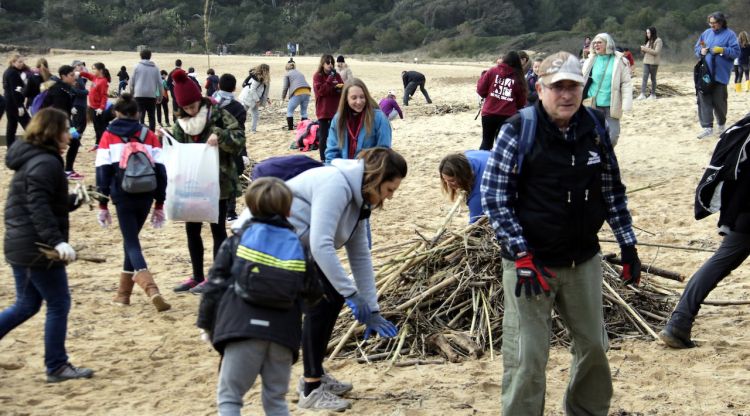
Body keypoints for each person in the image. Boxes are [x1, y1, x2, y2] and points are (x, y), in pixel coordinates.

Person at [481, 51, 640, 415]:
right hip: (530, 265)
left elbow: (612, 190)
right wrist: (520, 254)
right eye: (558, 87)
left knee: (594, 348)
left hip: (582, 259)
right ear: (540, 89)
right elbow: (495, 197)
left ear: (583, 89)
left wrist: (628, 246)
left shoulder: (595, 129)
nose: (566, 95)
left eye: (574, 87)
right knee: (527, 357)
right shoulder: (519, 129)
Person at [233, 147, 405, 411]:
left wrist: (371, 306)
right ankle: (312, 387)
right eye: (390, 189)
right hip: (262, 245)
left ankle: (316, 375)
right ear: (375, 178)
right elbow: (321, 244)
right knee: (324, 300)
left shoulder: (360, 202)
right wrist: (351, 294)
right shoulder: (335, 183)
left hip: (292, 248)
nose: (390, 197)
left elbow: (360, 255)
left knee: (330, 296)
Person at [197, 177, 309, 415]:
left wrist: (206, 326)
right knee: (276, 399)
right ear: (288, 210)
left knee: (230, 398)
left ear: (251, 207)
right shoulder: (298, 247)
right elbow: (313, 292)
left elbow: (214, 286)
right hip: (283, 335)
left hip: (241, 330)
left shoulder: (236, 242)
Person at [1, 108, 94, 383]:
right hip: (35, 247)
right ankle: (56, 365)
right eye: (66, 130)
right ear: (53, 132)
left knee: (27, 304)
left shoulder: (36, 158)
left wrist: (73, 200)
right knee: (58, 302)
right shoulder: (46, 162)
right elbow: (37, 206)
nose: (70, 135)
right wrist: (57, 242)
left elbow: (47, 201)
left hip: (22, 243)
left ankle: (56, 364)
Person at [660, 114, 750, 349]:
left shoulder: (744, 126)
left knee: (718, 263)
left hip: (743, 213)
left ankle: (679, 322)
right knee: (720, 263)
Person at [166, 69, 245, 295]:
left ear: (200, 100)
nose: (191, 111)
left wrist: (220, 136)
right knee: (192, 229)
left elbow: (239, 139)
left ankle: (217, 277)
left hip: (218, 183)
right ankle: (197, 276)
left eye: (194, 106)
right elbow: (176, 150)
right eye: (187, 108)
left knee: (217, 229)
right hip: (190, 184)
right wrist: (167, 140)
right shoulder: (181, 123)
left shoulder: (218, 113)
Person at [94, 93, 171, 312]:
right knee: (132, 239)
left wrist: (102, 203)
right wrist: (159, 202)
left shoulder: (108, 135)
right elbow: (161, 170)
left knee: (131, 242)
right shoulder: (148, 134)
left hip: (122, 194)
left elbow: (102, 171)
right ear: (137, 113)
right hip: (147, 192)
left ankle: (151, 288)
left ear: (116, 112)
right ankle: (123, 295)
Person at [694, 12, 740, 139]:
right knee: (704, 99)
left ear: (721, 22)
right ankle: (707, 127)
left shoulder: (730, 35)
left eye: (714, 23)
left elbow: (736, 52)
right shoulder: (706, 33)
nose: (712, 25)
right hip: (705, 74)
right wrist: (700, 51)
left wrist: (723, 50)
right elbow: (697, 47)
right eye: (710, 22)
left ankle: (721, 125)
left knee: (720, 102)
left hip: (721, 74)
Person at [582, 33, 633, 147]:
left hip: (612, 104)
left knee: (613, 136)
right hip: (592, 104)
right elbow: (582, 80)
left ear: (608, 44)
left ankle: (605, 154)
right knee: (593, 136)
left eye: (599, 42)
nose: (596, 45)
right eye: (594, 43)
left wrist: (626, 104)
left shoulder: (620, 61)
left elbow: (626, 83)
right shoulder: (590, 60)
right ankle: (599, 159)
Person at [325, 78, 392, 164]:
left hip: (369, 173)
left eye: (362, 97)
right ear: (346, 99)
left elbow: (384, 152)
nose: (359, 102)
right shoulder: (338, 119)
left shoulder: (379, 118)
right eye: (354, 98)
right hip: (343, 173)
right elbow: (331, 153)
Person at [212, 73, 248, 222]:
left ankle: (214, 209)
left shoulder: (210, 102)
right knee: (232, 178)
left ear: (218, 86)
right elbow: (240, 132)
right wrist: (244, 152)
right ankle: (230, 212)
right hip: (231, 146)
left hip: (211, 146)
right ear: (234, 88)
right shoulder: (239, 108)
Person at [476, 51, 528, 151]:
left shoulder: (492, 71)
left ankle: (483, 163)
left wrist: (490, 95)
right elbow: (521, 101)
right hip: (507, 116)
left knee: (486, 142)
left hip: (489, 113)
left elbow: (480, 90)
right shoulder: (518, 77)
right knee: (502, 144)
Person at [40, 65, 80, 178]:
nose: (74, 78)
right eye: (72, 75)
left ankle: (66, 170)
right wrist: (69, 128)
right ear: (63, 76)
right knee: (61, 145)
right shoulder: (59, 90)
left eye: (74, 75)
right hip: (52, 123)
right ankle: (64, 171)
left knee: (74, 141)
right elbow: (59, 112)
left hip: (60, 121)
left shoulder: (64, 88)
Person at [439, 151, 490, 223]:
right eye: (445, 180)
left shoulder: (479, 192)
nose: (448, 185)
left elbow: (476, 224)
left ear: (463, 176)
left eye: (452, 181)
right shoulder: (466, 156)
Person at [313, 55, 344, 162]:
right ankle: (323, 159)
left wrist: (337, 89)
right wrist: (330, 80)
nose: (330, 65)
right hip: (323, 111)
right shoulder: (317, 76)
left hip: (336, 110)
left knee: (337, 135)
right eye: (328, 63)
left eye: (332, 63)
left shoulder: (337, 75)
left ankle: (337, 157)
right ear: (322, 64)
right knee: (324, 136)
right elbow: (321, 91)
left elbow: (342, 88)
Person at [130, 49, 163, 131]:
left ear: (140, 56)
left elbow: (131, 83)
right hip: (151, 95)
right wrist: (160, 96)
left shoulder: (136, 67)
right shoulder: (155, 68)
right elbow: (160, 84)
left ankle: (137, 133)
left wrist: (131, 94)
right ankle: (151, 134)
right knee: (151, 116)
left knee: (138, 115)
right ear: (150, 56)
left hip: (138, 95)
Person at [79, 62, 111, 148]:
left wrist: (101, 108)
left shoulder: (103, 81)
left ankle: (102, 143)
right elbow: (88, 75)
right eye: (92, 69)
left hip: (98, 109)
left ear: (100, 70)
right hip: (92, 107)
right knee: (96, 127)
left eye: (94, 69)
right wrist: (80, 73)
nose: (93, 71)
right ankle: (98, 143)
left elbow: (104, 96)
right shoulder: (95, 78)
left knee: (100, 127)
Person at [3, 54, 31, 148]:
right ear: (13, 62)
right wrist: (19, 105)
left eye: (22, 61)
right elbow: (14, 91)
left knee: (11, 126)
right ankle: (36, 146)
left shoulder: (10, 71)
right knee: (29, 125)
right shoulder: (13, 73)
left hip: (8, 103)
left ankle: (10, 147)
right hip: (14, 103)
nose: (21, 64)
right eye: (19, 62)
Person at [239, 64, 271, 134]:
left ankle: (253, 130)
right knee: (243, 114)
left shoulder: (260, 77)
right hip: (248, 98)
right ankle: (241, 128)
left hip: (253, 98)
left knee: (254, 114)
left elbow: (262, 90)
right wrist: (257, 100)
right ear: (265, 70)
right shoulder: (257, 78)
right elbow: (252, 90)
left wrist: (267, 98)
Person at [281, 60, 311, 131]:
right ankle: (304, 128)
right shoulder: (300, 73)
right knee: (304, 112)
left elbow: (285, 87)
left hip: (297, 92)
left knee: (289, 111)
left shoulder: (287, 74)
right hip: (307, 91)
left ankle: (290, 128)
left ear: (286, 68)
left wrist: (282, 98)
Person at [638, 27, 663, 100]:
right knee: (644, 78)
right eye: (646, 33)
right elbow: (645, 52)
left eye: (648, 33)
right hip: (646, 62)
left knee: (653, 78)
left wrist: (645, 49)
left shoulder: (658, 41)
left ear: (653, 32)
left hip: (654, 63)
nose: (647, 34)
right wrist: (642, 50)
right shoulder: (648, 41)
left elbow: (656, 52)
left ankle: (653, 94)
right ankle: (642, 94)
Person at [70, 60, 89, 148]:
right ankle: (74, 141)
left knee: (83, 124)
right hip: (77, 104)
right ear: (74, 67)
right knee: (76, 124)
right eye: (78, 65)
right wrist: (86, 92)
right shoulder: (73, 77)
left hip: (83, 103)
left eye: (81, 65)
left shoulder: (80, 76)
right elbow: (74, 91)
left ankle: (76, 140)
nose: (80, 66)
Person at [166, 59, 183, 124]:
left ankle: (175, 120)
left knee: (175, 107)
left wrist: (171, 89)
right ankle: (181, 120)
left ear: (175, 64)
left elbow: (168, 84)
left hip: (174, 94)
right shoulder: (182, 72)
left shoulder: (171, 73)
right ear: (181, 64)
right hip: (181, 94)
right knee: (182, 107)